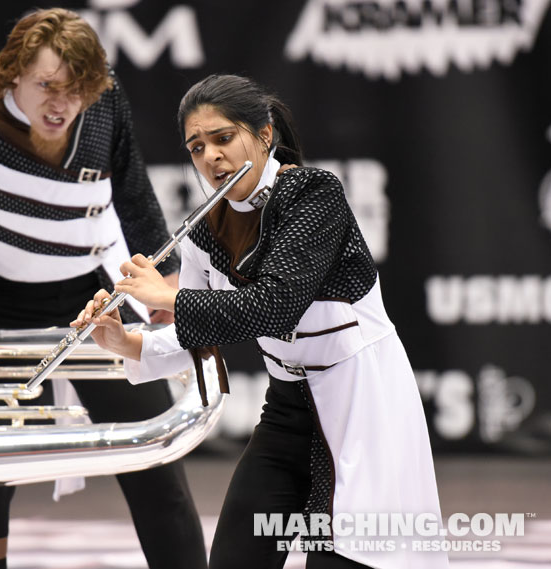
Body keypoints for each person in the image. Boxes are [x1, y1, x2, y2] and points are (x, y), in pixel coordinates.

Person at [74, 74, 449, 569]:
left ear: (265, 134)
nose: (210, 157)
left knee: (353, 558)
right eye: (197, 147)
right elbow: (202, 332)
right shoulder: (202, 231)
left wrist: (169, 294)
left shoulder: (313, 194)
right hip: (288, 409)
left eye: (223, 138)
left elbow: (275, 305)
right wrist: (128, 342)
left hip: (364, 402)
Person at [0, 8, 206, 569]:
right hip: (7, 303)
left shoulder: (105, 103)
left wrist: (162, 288)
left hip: (100, 301)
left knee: (156, 464)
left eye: (78, 91)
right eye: (47, 87)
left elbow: (134, 200)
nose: (63, 105)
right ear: (12, 73)